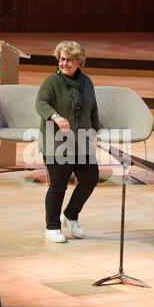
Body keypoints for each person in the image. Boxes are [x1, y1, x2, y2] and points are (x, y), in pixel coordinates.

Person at [35, 41, 100, 243]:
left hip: (81, 141)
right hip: (56, 143)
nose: (64, 63)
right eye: (62, 59)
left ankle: (70, 216)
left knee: (90, 178)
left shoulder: (87, 83)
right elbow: (40, 102)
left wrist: (95, 131)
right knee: (59, 185)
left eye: (69, 60)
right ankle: (52, 227)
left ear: (79, 62)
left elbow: (93, 109)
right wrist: (55, 116)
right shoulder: (52, 82)